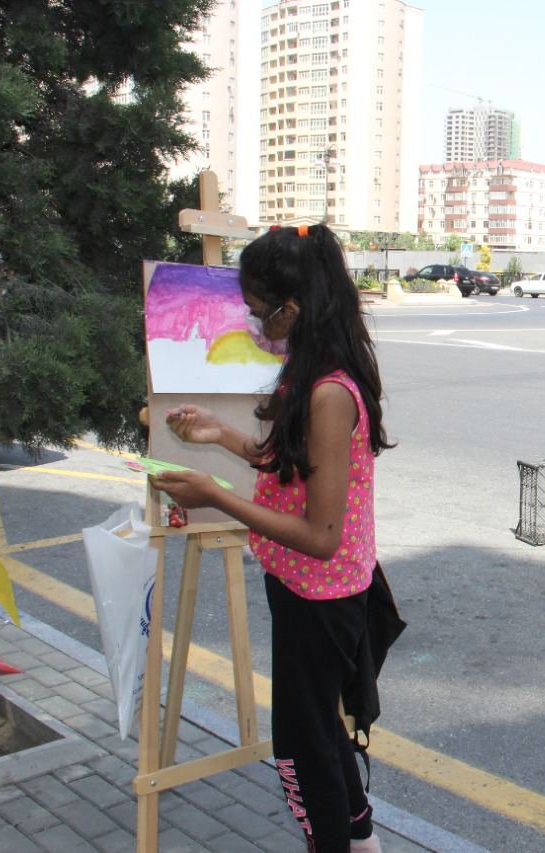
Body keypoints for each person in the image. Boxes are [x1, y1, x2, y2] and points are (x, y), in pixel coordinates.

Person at [149, 222, 395, 853]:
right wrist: (219, 436)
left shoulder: (329, 392)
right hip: (300, 586)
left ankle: (337, 842)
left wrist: (215, 496)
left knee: (301, 745)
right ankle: (360, 838)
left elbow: (319, 534)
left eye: (262, 313)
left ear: (296, 306)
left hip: (322, 594)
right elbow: (292, 464)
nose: (257, 325)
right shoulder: (309, 372)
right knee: (317, 733)